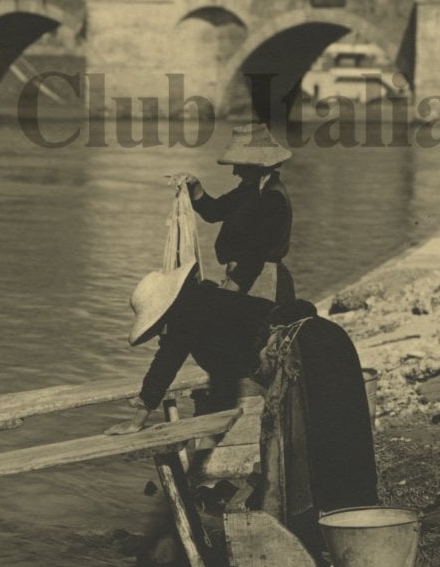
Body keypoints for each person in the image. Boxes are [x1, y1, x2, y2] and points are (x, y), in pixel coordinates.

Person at [110, 258, 378, 522]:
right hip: (328, 338)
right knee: (341, 432)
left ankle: (315, 522)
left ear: (165, 311)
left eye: (158, 328)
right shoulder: (212, 300)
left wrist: (137, 421)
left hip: (302, 352)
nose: (161, 335)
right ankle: (355, 515)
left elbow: (163, 367)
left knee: (302, 444)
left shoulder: (185, 315)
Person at [171, 122, 295, 300]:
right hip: (246, 277)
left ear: (256, 165)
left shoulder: (272, 199)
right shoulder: (249, 191)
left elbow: (256, 252)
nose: (235, 172)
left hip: (261, 282)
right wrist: (195, 188)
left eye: (239, 165)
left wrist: (233, 287)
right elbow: (214, 212)